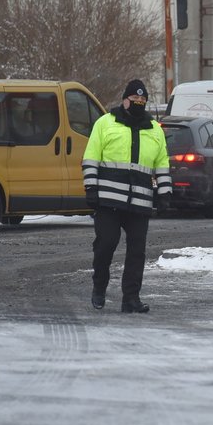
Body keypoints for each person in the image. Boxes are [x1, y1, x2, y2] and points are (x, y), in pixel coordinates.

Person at [83, 79, 171, 313]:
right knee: (106, 245)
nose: (139, 104)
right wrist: (91, 189)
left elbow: (162, 164)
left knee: (137, 252)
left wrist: (165, 193)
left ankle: (130, 298)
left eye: (143, 101)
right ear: (125, 100)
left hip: (140, 202)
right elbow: (91, 157)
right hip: (109, 201)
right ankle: (99, 288)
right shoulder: (105, 123)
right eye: (135, 100)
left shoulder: (154, 130)